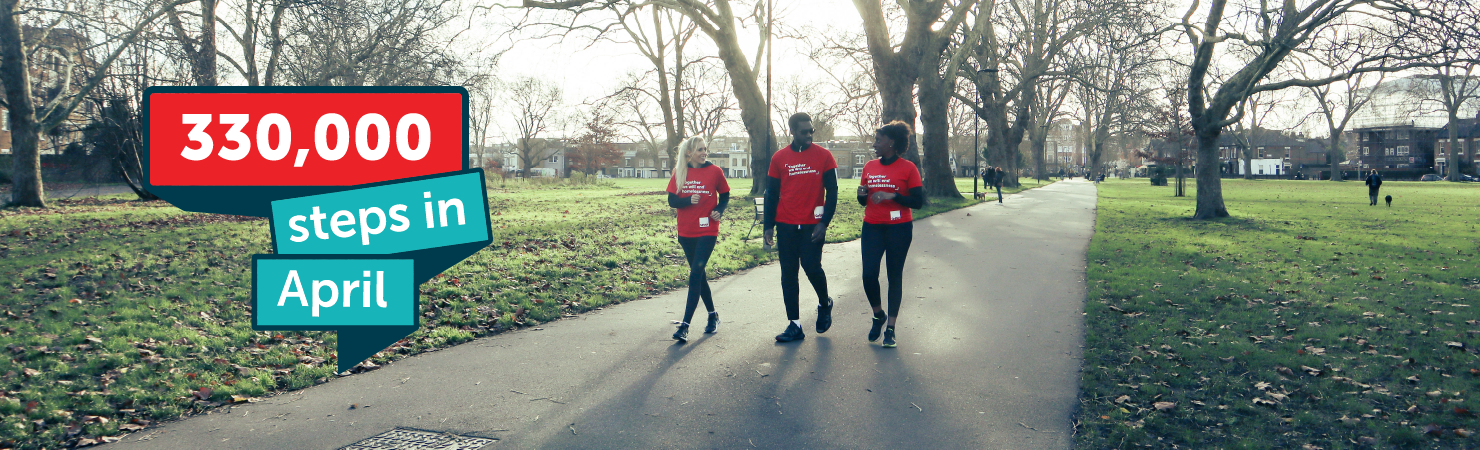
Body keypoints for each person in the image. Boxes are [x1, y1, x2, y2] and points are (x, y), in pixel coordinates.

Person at [763, 112, 839, 343]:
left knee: (812, 267)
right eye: (804, 132)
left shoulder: (824, 156)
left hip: (811, 226)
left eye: (811, 131)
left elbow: (833, 192)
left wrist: (824, 222)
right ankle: (794, 325)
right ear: (792, 132)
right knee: (788, 274)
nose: (809, 135)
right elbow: (772, 194)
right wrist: (768, 226)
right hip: (786, 225)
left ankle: (824, 303)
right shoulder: (779, 158)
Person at [857, 121, 925, 348]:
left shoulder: (908, 168)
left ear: (891, 143)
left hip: (899, 228)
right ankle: (878, 315)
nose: (875, 144)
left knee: (894, 276)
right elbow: (862, 200)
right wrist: (861, 194)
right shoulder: (869, 167)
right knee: (868, 275)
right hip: (872, 226)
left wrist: (892, 195)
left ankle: (891, 330)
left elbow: (918, 202)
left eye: (878, 140)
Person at [666, 137, 730, 342]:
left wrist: (719, 209)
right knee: (699, 276)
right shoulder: (680, 172)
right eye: (700, 150)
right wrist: (687, 200)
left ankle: (685, 325)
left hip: (708, 231)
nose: (704, 153)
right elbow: (671, 200)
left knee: (695, 274)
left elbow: (726, 195)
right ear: (689, 153)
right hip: (686, 232)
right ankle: (713, 316)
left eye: (705, 149)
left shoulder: (715, 172)